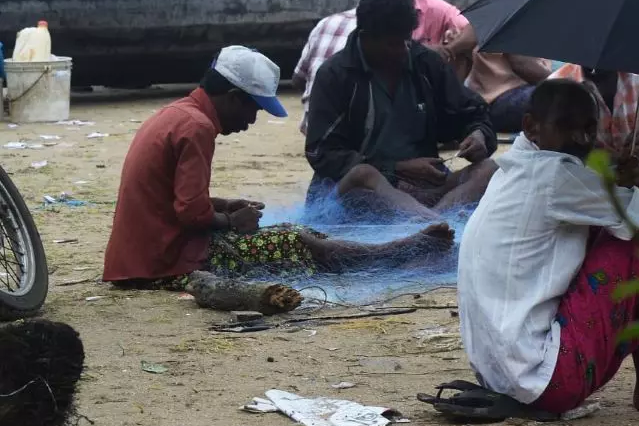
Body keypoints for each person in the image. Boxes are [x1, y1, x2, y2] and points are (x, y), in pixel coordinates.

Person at [458, 78, 639, 415]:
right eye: (568, 127)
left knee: (617, 233)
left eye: (589, 129)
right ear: (531, 126)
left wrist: (621, 185)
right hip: (541, 382)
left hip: (504, 377)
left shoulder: (516, 168)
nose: (582, 139)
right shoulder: (557, 176)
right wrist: (638, 192)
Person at [103, 46, 453, 287]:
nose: (252, 120)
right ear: (233, 97)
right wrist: (229, 221)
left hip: (140, 256)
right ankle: (395, 253)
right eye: (253, 109)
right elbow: (190, 214)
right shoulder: (198, 128)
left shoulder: (180, 113)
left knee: (290, 232)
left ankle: (391, 251)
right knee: (295, 241)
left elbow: (176, 199)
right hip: (162, 264)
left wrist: (225, 206)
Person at [305, 0, 498, 218]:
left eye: (406, 41)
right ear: (366, 37)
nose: (402, 50)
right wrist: (395, 169)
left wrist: (478, 135)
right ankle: (430, 222)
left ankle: (432, 221)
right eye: (392, 44)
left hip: (424, 188)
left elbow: (473, 112)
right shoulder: (336, 75)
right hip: (363, 191)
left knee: (489, 170)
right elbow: (322, 152)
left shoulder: (425, 63)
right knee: (365, 175)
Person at [293, 0, 477, 132]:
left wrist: (448, 49)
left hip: (316, 126)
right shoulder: (381, 35)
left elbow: (298, 79)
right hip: (357, 134)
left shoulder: (327, 22)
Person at [465, 0, 557, 132]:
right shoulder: (517, 8)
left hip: (510, 95)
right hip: (498, 101)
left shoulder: (528, 4)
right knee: (566, 98)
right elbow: (521, 64)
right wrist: (568, 83)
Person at [549, 63, 639, 166]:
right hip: (584, 176)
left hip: (638, 170)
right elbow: (560, 153)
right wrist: (620, 158)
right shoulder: (557, 88)